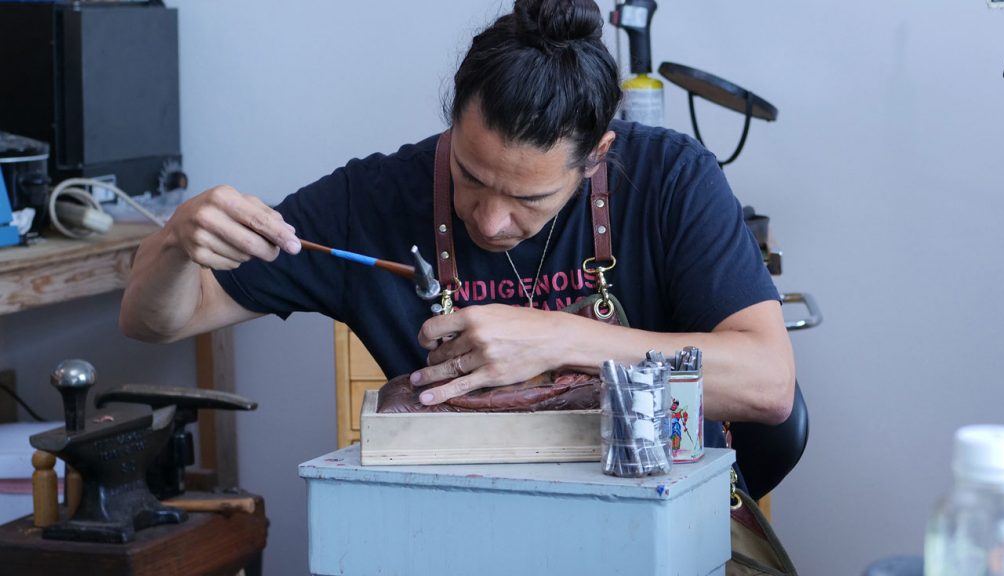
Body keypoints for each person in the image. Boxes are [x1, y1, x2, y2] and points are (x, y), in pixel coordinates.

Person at [119, 0, 795, 449]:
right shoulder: (372, 199)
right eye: (471, 177)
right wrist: (179, 243)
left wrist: (557, 339)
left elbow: (768, 384)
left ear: (598, 158)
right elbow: (156, 322)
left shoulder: (670, 178)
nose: (492, 220)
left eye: (529, 198)